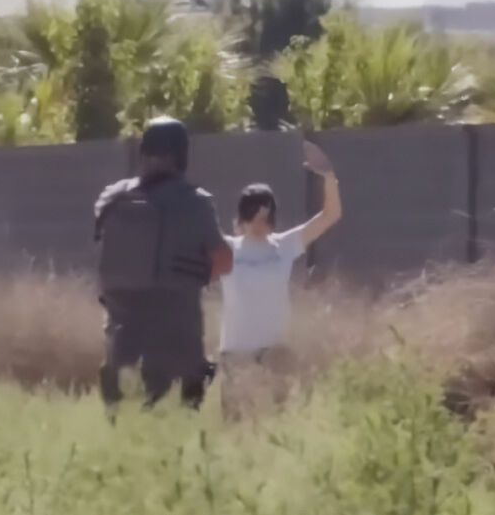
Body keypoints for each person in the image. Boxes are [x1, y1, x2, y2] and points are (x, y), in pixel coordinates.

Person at [94, 117, 232, 414]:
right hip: (176, 332)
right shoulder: (195, 202)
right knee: (187, 390)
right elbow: (223, 260)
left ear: (143, 152)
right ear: (182, 156)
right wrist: (199, 275)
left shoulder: (110, 199)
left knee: (124, 406)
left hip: (122, 335)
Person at [218, 141, 342, 420]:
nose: (259, 224)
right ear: (241, 217)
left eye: (265, 217)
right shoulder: (226, 248)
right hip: (235, 353)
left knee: (276, 423)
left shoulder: (285, 245)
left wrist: (328, 175)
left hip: (275, 352)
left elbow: (330, 215)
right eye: (252, 217)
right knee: (235, 426)